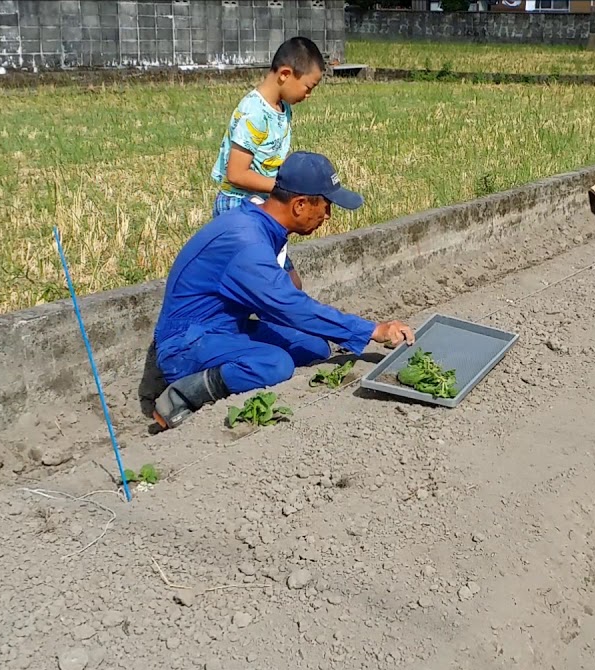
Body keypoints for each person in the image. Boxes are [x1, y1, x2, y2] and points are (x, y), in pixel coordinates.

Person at [151, 151, 415, 430]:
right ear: (300, 204)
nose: (327, 216)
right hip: (186, 344)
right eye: (326, 206)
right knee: (275, 364)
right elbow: (289, 306)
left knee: (312, 346)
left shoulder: (259, 222)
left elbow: (285, 299)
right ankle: (182, 395)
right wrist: (373, 331)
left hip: (226, 328)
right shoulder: (247, 244)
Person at [210, 36, 325, 220]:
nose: (308, 95)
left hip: (261, 201)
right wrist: (282, 188)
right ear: (285, 74)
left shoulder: (283, 107)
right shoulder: (255, 112)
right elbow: (236, 174)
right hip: (238, 205)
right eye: (308, 87)